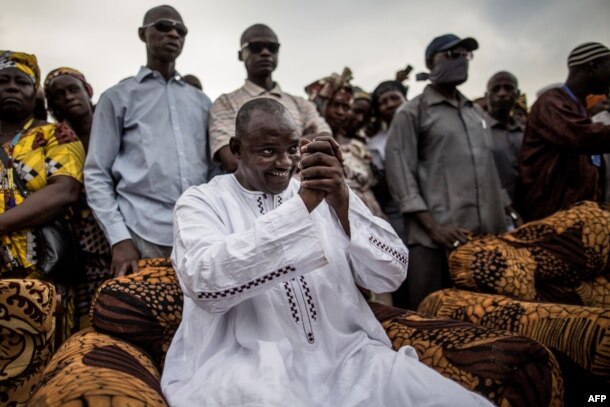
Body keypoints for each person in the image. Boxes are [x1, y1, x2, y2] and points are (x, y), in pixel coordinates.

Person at [161, 97, 492, 407]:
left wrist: (343, 202)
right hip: (249, 365)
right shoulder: (201, 201)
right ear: (236, 149)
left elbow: (391, 273)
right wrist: (302, 207)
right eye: (267, 150)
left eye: (292, 149)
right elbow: (204, 281)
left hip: (351, 357)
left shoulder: (327, 192)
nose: (285, 162)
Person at [85, 5, 213, 277]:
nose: (173, 34)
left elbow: (213, 169)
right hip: (140, 232)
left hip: (199, 233)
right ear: (143, 34)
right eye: (164, 26)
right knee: (144, 317)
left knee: (203, 317)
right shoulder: (117, 97)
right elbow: (97, 173)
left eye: (181, 30)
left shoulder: (202, 103)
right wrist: (120, 239)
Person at [385, 34, 508, 310]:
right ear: (430, 63)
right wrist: (433, 227)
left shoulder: (475, 112)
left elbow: (487, 167)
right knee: (436, 322)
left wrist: (507, 210)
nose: (462, 60)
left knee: (488, 316)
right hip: (436, 241)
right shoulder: (411, 113)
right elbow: (400, 173)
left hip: (484, 238)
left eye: (466, 55)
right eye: (452, 55)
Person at [0, 51, 85, 335]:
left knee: (40, 363)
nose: (11, 86)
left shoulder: (55, 134)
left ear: (35, 94)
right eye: (3, 80)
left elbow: (65, 191)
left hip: (40, 276)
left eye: (22, 82)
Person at [209, 23, 330, 173]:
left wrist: (261, 149)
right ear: (240, 55)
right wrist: (301, 141)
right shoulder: (225, 103)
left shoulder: (300, 103)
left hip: (303, 191)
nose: (265, 52)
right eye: (255, 47)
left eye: (272, 47)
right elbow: (231, 159)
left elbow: (326, 139)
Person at [45, 67, 112, 327]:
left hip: (118, 229)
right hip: (76, 239)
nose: (68, 97)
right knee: (86, 315)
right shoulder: (54, 139)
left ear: (88, 91)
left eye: (73, 89)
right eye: (59, 95)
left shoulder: (113, 125)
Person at [517, 42, 610, 221]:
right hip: (553, 217)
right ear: (594, 66)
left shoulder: (578, 105)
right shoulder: (551, 102)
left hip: (576, 217)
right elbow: (583, 137)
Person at [305, 69, 386, 218]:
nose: (341, 112)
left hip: (371, 215)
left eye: (346, 107)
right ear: (320, 105)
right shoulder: (307, 145)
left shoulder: (357, 146)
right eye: (335, 105)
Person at [484, 71, 524, 206]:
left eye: (508, 88)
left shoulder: (525, 132)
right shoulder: (477, 131)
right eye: (496, 89)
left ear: (517, 95)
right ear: (486, 96)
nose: (502, 94)